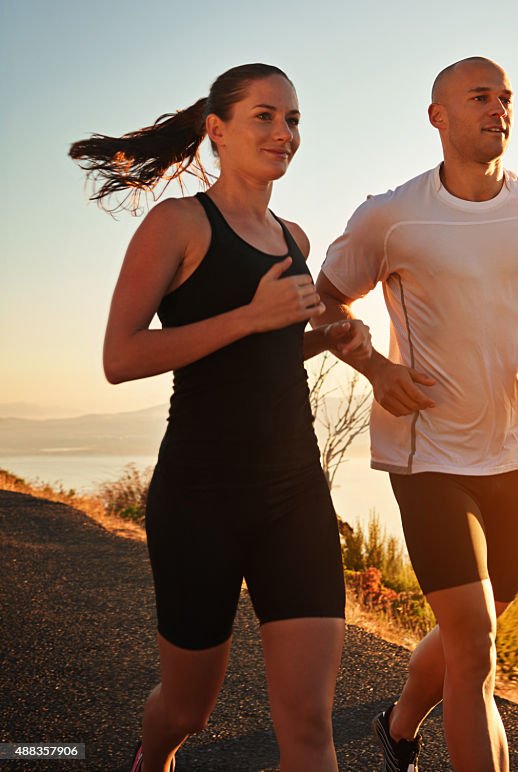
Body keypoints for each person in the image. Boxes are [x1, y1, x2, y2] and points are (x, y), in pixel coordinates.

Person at [316, 56, 518, 771]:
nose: (499, 109)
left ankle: (399, 724)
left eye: (507, 98)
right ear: (438, 117)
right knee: (477, 647)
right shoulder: (391, 216)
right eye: (481, 97)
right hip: (428, 454)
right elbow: (325, 300)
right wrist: (376, 369)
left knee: (469, 636)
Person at [69, 63, 371, 772]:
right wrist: (249, 316)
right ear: (217, 130)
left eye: (293, 119)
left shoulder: (294, 236)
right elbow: (121, 356)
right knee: (188, 709)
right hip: (201, 497)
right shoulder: (177, 224)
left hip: (294, 491)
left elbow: (267, 353)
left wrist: (325, 337)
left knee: (307, 721)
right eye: (264, 116)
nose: (283, 133)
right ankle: (153, 757)